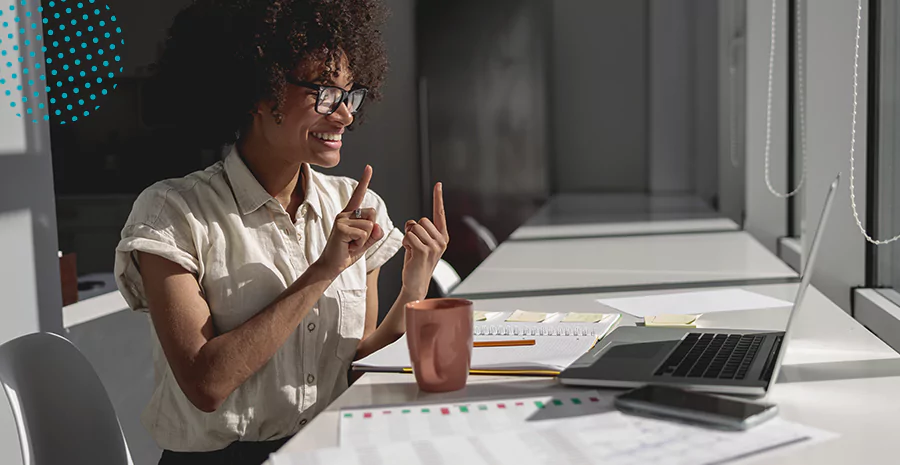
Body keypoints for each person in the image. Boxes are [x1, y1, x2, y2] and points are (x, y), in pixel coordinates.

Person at [113, 1, 449, 463]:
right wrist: (324, 270)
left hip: (330, 451)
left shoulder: (355, 203)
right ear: (258, 89)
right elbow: (206, 385)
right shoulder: (173, 212)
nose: (345, 115)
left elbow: (355, 365)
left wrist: (414, 287)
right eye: (325, 94)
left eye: (349, 95)